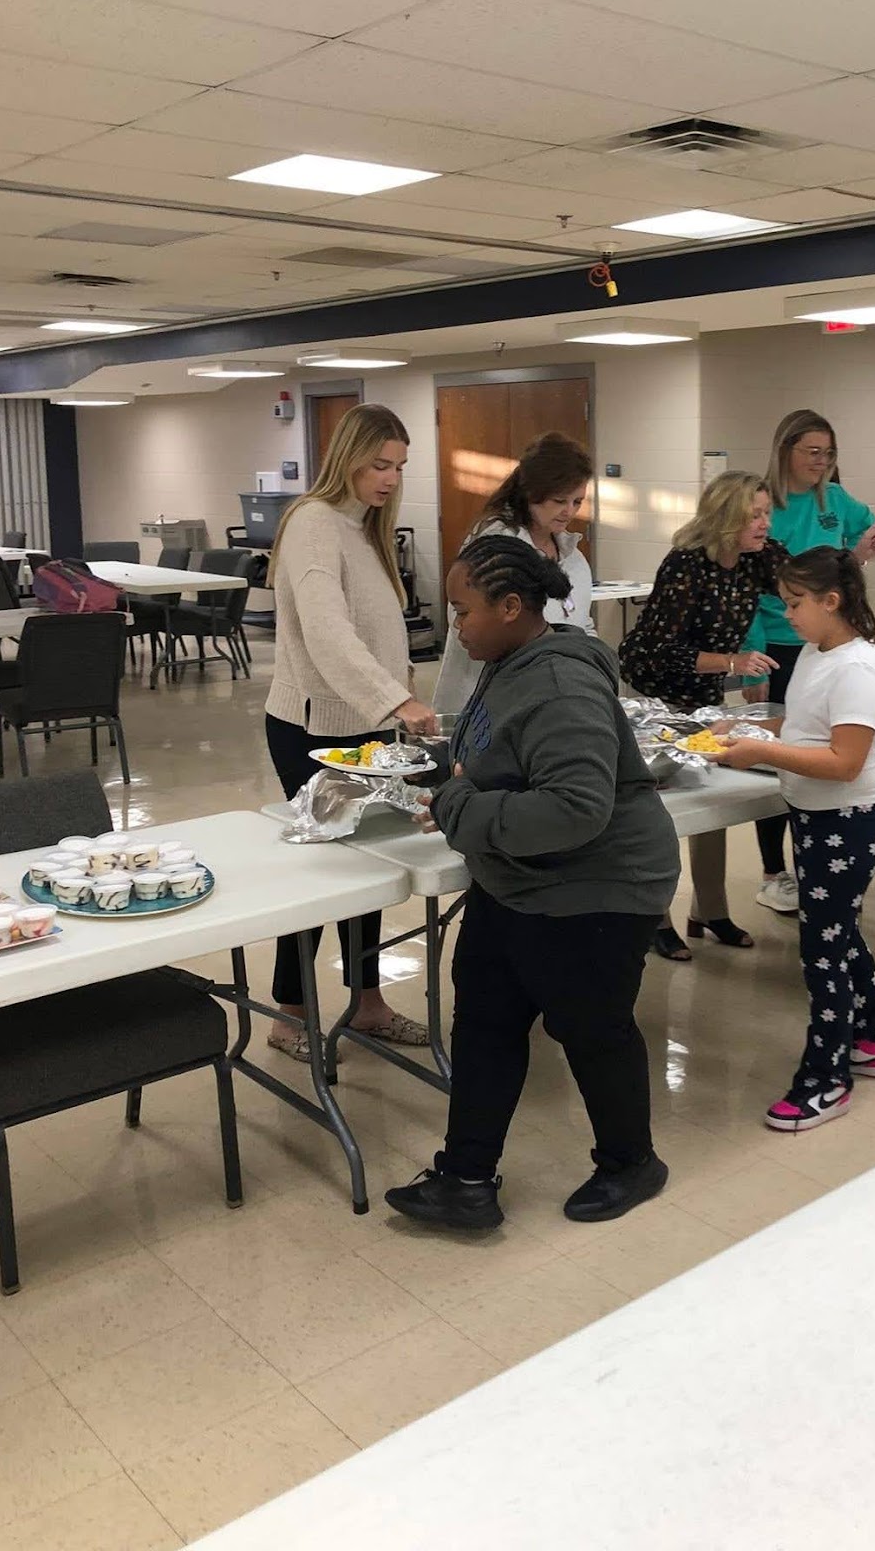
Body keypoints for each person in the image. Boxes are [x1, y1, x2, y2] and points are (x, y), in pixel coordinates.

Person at [384, 535, 680, 1231]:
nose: (456, 627)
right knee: (485, 1020)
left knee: (591, 1029)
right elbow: (497, 755)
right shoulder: (508, 661)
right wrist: (447, 774)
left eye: (464, 611)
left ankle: (632, 1163)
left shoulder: (559, 685)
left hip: (598, 886)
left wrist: (461, 807)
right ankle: (465, 1179)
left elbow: (575, 809)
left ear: (512, 606)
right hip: (520, 876)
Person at [265, 403, 437, 1061]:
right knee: (321, 873)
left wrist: (396, 701)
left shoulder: (365, 527)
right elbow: (327, 634)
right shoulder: (313, 523)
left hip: (369, 727)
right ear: (348, 459)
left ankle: (367, 1003)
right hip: (312, 729)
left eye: (399, 466)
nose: (390, 478)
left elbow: (377, 633)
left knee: (367, 866)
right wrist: (396, 700)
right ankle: (289, 1013)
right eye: (379, 464)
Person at [716, 548, 875, 1131]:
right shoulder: (820, 652)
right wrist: (745, 728)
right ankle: (872, 1038)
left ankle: (827, 1080)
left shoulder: (858, 669)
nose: (787, 614)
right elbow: (804, 726)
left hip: (848, 822)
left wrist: (762, 752)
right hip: (819, 820)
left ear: (831, 601)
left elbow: (845, 761)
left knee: (823, 952)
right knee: (840, 934)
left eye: (795, 604)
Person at [618, 471, 780, 959]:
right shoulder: (686, 564)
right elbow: (660, 650)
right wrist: (733, 663)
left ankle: (710, 909)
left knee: (711, 800)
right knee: (661, 810)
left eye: (767, 513)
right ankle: (656, 917)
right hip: (655, 694)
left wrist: (857, 557)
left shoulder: (757, 557)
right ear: (727, 517)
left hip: (703, 693)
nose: (764, 523)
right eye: (754, 515)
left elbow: (806, 583)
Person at [741, 409, 875, 918]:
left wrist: (864, 549)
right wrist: (752, 660)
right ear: (785, 450)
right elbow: (748, 590)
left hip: (822, 639)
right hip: (777, 643)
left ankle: (818, 864)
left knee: (811, 738)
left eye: (828, 454)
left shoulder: (836, 499)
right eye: (812, 452)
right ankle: (774, 872)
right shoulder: (765, 505)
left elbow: (848, 563)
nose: (821, 462)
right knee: (782, 746)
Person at [433, 430, 596, 716]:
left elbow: (580, 622)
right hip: (491, 700)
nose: (569, 511)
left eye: (577, 502)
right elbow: (468, 624)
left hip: (552, 697)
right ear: (532, 493)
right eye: (559, 501)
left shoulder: (574, 558)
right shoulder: (495, 549)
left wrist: (593, 665)